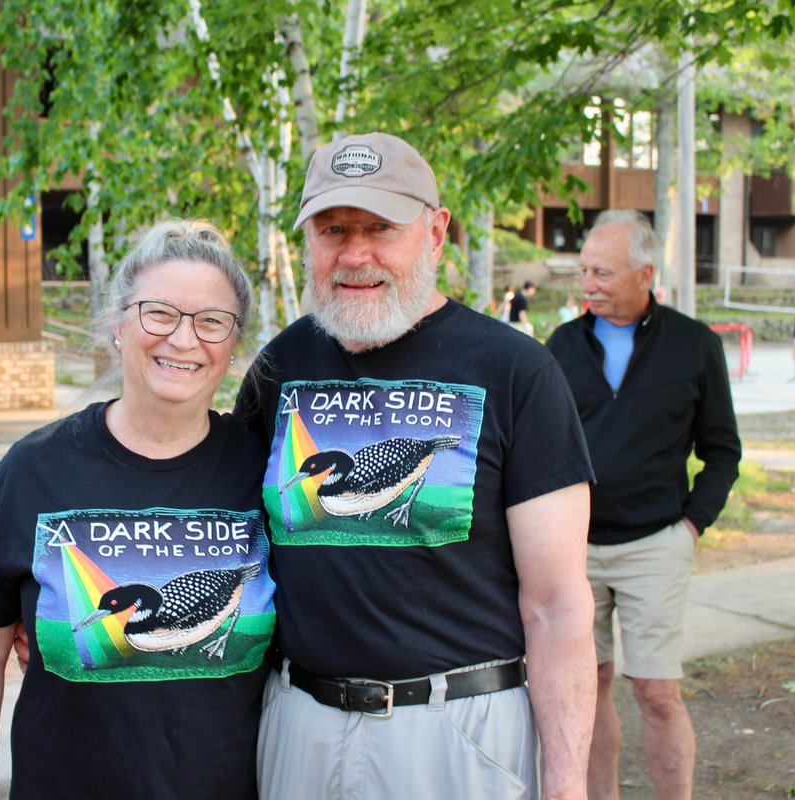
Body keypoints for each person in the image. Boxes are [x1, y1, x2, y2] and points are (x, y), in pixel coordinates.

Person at [234, 132, 596, 800]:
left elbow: (558, 607)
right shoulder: (280, 368)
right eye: (333, 228)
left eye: (381, 228)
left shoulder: (517, 372)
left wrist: (568, 783)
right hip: (300, 727)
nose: (354, 254)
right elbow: (223, 530)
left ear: (435, 233)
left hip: (458, 733)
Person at [0, 220, 274, 800]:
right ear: (118, 325)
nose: (184, 340)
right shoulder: (36, 468)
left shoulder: (263, 470)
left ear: (233, 343)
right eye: (159, 313)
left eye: (212, 321)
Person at [545, 210, 741, 800]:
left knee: (656, 692)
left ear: (645, 273)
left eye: (602, 272)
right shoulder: (561, 346)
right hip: (574, 549)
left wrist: (691, 525)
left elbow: (722, 449)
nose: (588, 284)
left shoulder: (694, 345)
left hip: (657, 544)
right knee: (589, 687)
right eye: (583, 271)